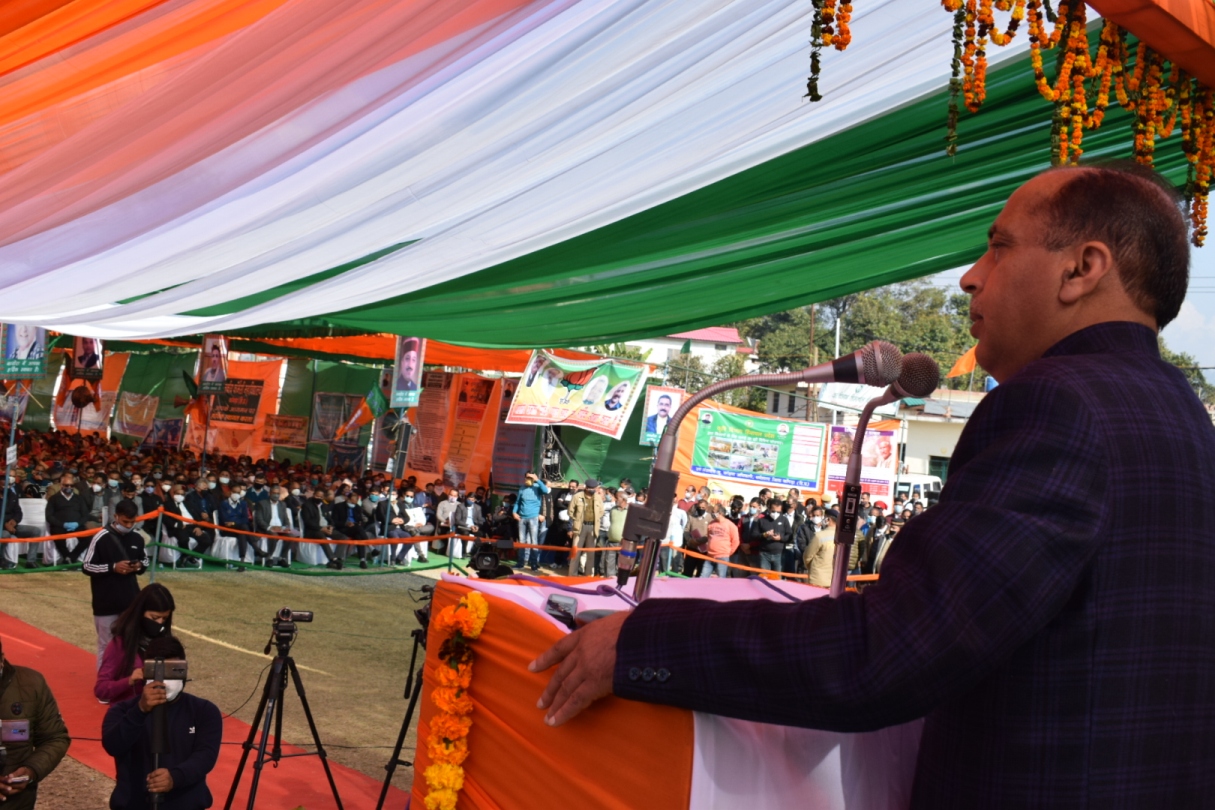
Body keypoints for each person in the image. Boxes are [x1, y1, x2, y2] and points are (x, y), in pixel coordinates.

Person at [529, 165, 1215, 806]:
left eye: (998, 248)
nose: (969, 279)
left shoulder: (1054, 403)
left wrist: (639, 644)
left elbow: (888, 654)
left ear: (1081, 269)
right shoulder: (1183, 417)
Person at [102, 635, 222, 810]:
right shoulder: (122, 711)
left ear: (184, 671)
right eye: (157, 670)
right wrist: (140, 710)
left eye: (173, 670)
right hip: (133, 804)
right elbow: (113, 746)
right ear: (145, 671)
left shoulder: (204, 711)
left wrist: (175, 777)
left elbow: (206, 756)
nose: (165, 679)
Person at [0, 636, 71, 809]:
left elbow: (54, 738)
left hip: (17, 803)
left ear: (1, 658)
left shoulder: (31, 684)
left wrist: (31, 771)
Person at [81, 499, 148, 669]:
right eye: (125, 521)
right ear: (116, 516)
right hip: (105, 601)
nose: (129, 525)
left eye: (133, 522)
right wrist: (112, 567)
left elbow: (145, 560)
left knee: (132, 642)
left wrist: (138, 566)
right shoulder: (100, 537)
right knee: (106, 645)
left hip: (130, 600)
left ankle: (128, 679)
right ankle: (104, 682)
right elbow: (87, 566)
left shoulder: (137, 538)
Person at [95, 584, 174, 704]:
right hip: (128, 711)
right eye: (155, 618)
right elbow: (101, 690)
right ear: (141, 613)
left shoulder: (167, 643)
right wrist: (130, 680)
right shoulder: (120, 644)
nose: (160, 623)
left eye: (164, 619)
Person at [162, 484, 213, 568]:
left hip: (192, 526)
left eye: (182, 494)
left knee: (206, 540)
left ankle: (189, 557)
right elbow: (165, 518)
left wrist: (198, 527)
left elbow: (197, 517)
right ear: (173, 494)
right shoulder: (168, 504)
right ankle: (186, 556)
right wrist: (178, 525)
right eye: (178, 494)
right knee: (184, 539)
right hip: (179, 527)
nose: (180, 496)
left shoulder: (188, 504)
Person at [45, 472, 90, 564]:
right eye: (66, 485)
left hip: (77, 525)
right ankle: (66, 557)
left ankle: (71, 557)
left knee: (88, 538)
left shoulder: (79, 498)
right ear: (61, 485)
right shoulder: (53, 498)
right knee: (58, 537)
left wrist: (78, 523)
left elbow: (85, 515)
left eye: (71, 485)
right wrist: (63, 524)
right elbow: (49, 516)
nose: (69, 487)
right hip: (59, 526)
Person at [253, 485, 298, 568]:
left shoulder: (282, 504)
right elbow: (259, 519)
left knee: (291, 536)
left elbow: (286, 519)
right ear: (270, 493)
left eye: (278, 493)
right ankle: (269, 558)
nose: (276, 495)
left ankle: (282, 558)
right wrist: (270, 527)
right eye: (274, 493)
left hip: (280, 528)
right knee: (274, 535)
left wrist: (286, 527)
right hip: (267, 528)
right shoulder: (262, 503)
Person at [566, 480, 604, 577]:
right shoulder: (577, 496)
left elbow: (601, 511)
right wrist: (577, 520)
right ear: (586, 487)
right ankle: (572, 575)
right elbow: (570, 511)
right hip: (580, 527)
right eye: (590, 488)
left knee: (590, 554)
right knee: (576, 552)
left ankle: (588, 575)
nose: (592, 490)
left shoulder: (598, 497)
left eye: (594, 488)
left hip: (593, 527)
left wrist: (595, 519)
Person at [513, 472, 549, 571]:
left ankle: (534, 564)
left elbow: (546, 491)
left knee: (534, 542)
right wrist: (514, 512)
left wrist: (537, 480)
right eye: (527, 477)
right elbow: (517, 502)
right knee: (522, 542)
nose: (528, 479)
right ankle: (520, 563)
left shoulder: (537, 487)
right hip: (521, 518)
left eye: (530, 477)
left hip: (533, 518)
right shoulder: (522, 488)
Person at [699, 506, 739, 578]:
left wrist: (728, 553)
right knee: (703, 577)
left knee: (721, 578)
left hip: (722, 557)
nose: (712, 513)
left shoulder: (730, 525)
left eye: (713, 511)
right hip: (710, 556)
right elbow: (709, 537)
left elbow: (736, 541)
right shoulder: (711, 523)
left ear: (720, 513)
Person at [801, 508, 837, 588]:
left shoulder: (819, 536)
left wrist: (811, 567)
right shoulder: (841, 536)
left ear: (828, 519)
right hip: (835, 579)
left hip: (818, 578)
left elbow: (807, 556)